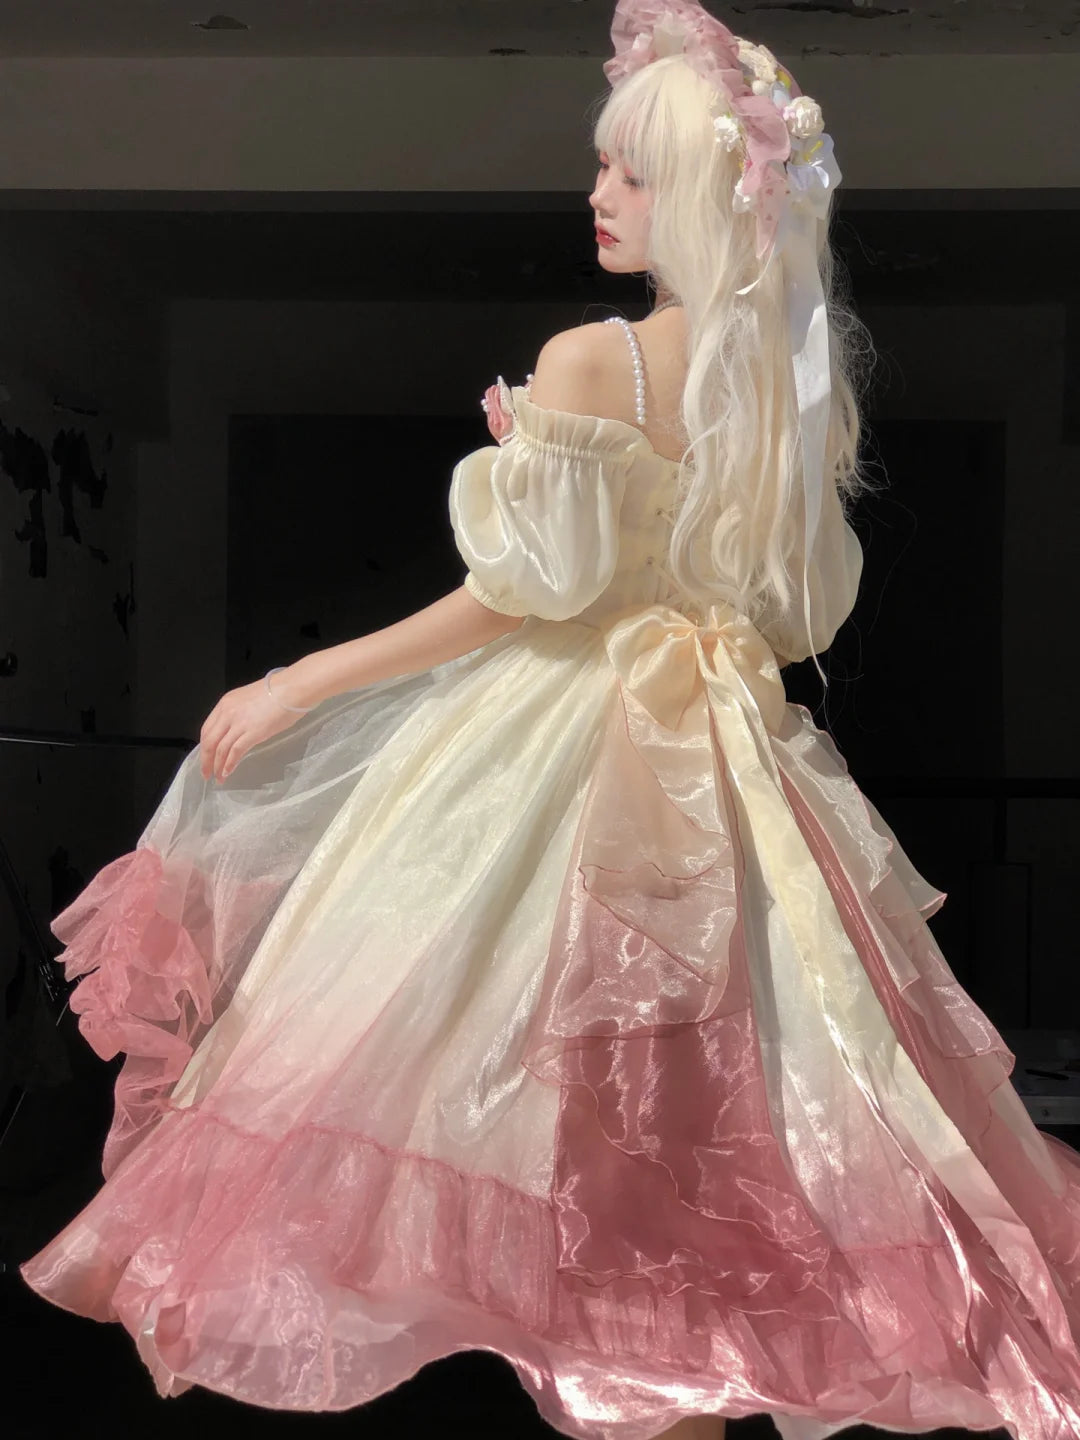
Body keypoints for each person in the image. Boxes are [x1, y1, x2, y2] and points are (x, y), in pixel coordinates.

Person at [19, 3, 1080, 1437]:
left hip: (572, 747)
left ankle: (650, 1384)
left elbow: (517, 603)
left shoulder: (599, 361)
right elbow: (794, 615)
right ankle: (670, 1387)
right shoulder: (788, 386)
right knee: (722, 1111)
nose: (600, 194)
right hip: (736, 756)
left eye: (632, 173)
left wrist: (301, 680)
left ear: (698, 195)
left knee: (528, 1086)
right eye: (603, 167)